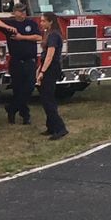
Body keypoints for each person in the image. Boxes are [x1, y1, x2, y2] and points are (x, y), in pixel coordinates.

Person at [0, 2, 42, 125]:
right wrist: (7, 27)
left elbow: (38, 37)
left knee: (29, 87)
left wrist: (22, 37)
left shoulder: (31, 23)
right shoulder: (11, 24)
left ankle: (12, 108)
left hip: (30, 61)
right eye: (20, 11)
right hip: (16, 62)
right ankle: (24, 115)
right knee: (18, 89)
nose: (23, 13)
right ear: (14, 12)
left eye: (24, 11)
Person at [37, 12, 68, 140]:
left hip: (51, 69)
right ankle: (51, 126)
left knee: (48, 99)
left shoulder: (54, 36)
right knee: (45, 98)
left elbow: (50, 56)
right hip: (46, 67)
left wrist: (43, 72)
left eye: (44, 21)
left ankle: (60, 128)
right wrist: (39, 69)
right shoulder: (48, 34)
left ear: (51, 22)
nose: (41, 23)